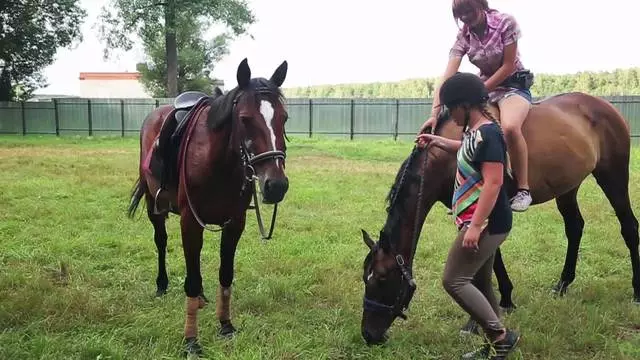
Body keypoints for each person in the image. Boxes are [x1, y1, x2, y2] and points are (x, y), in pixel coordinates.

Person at [416, 72, 520, 359]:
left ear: (465, 105)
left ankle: (501, 337)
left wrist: (475, 227)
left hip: (489, 222)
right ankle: (495, 343)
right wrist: (436, 140)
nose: (450, 114)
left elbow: (494, 182)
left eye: (451, 108)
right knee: (481, 282)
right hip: (480, 220)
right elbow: (466, 150)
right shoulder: (474, 132)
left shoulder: (489, 134)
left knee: (454, 280)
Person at [419, 0, 534, 212]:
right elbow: (447, 76)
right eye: (459, 13)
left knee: (509, 127)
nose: (464, 17)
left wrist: (477, 91)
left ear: (481, 5)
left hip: (512, 87)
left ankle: (523, 189)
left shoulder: (505, 22)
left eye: (468, 10)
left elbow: (508, 66)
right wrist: (434, 112)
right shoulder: (464, 36)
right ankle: (472, 192)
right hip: (484, 92)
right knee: (470, 135)